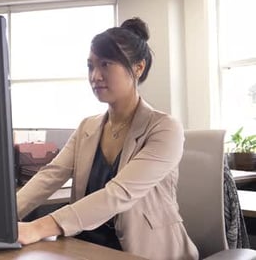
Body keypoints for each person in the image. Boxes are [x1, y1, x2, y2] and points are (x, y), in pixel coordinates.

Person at [16, 17, 199, 260]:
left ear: (138, 68)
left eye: (106, 65)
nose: (95, 76)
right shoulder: (87, 127)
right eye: (91, 66)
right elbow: (50, 175)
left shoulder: (164, 129)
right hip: (87, 248)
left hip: (146, 253)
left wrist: (37, 228)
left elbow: (118, 194)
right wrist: (2, 217)